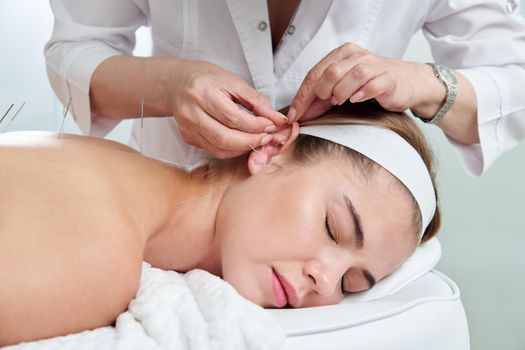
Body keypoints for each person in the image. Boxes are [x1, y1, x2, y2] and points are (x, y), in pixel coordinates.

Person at [0, 102, 439, 346]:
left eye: (351, 285)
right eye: (333, 227)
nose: (325, 282)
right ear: (272, 147)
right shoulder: (99, 253)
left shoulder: (117, 172)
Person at [45, 0, 525, 176]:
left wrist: (425, 83)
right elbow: (76, 50)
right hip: (158, 188)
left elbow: (515, 80)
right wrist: (171, 84)